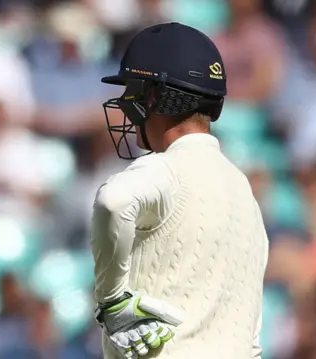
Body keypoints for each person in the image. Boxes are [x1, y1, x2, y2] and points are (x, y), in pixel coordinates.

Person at [90, 22, 269, 359]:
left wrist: (112, 300)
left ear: (153, 96)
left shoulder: (165, 167)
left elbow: (113, 202)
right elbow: (253, 335)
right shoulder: (244, 191)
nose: (126, 102)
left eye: (132, 90)